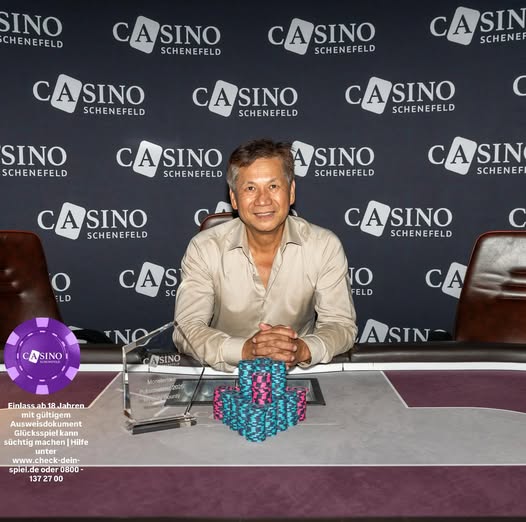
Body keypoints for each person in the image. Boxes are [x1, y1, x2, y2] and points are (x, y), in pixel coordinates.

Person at [173, 138, 357, 372]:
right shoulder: (204, 248)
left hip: (296, 373)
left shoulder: (324, 246)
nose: (263, 200)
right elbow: (186, 329)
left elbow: (340, 325)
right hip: (227, 374)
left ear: (291, 192)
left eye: (273, 186)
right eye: (250, 188)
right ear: (234, 198)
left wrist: (301, 349)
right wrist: (245, 350)